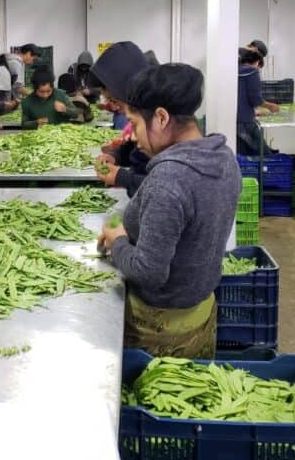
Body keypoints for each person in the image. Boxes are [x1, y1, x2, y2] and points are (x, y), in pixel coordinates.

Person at [98, 64, 241, 358]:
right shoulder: (224, 159)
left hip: (159, 328)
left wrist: (118, 241)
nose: (134, 137)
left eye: (135, 124)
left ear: (161, 118)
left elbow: (149, 273)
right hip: (200, 312)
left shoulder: (169, 179)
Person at [89, 41, 151, 197]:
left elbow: (165, 190)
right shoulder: (144, 111)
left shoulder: (157, 118)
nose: (114, 108)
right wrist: (116, 156)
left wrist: (122, 177)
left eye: (114, 100)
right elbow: (138, 153)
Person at [237, 49, 279, 155]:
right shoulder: (252, 71)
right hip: (245, 122)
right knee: (263, 154)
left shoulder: (235, 69)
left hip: (234, 119)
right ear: (257, 62)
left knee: (242, 153)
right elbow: (255, 99)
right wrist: (270, 106)